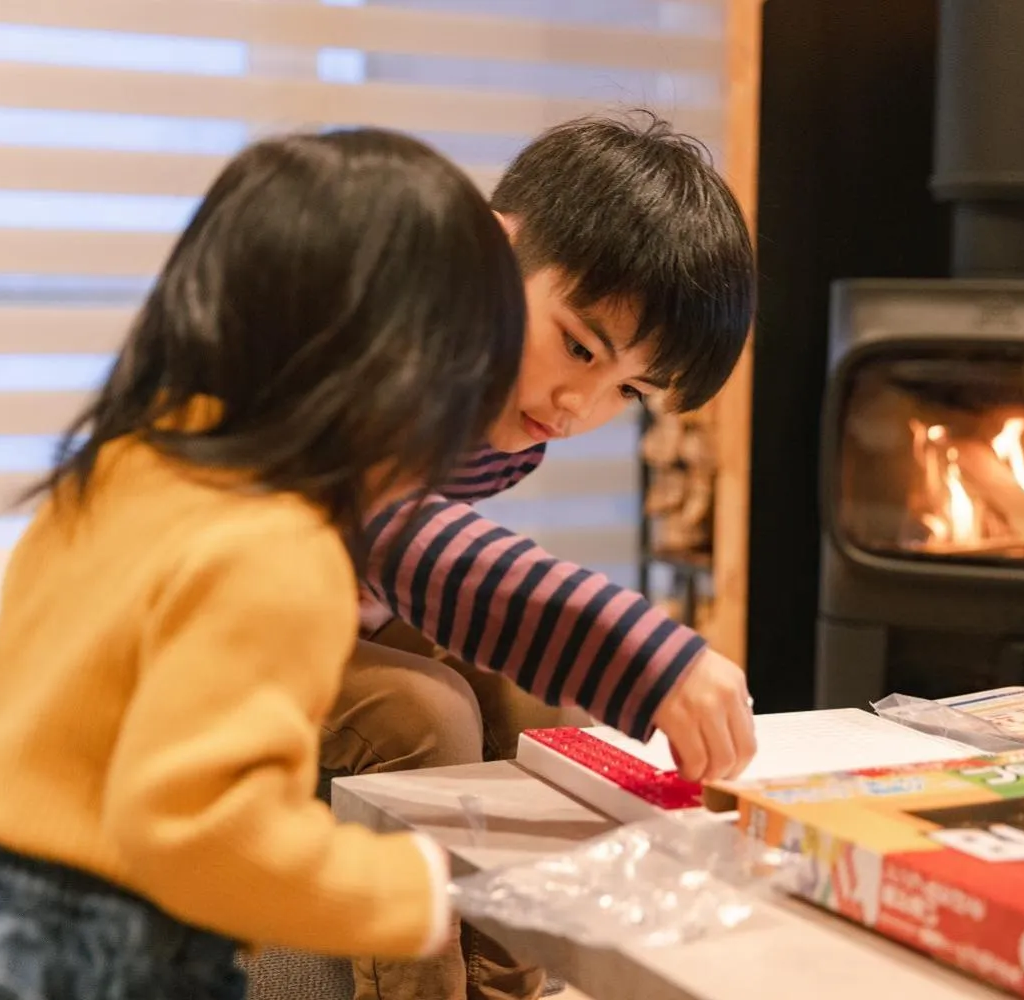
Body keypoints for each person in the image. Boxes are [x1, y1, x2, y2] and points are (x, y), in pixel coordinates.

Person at [0, 128, 529, 1000]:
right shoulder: (282, 551)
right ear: (398, 374)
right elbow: (199, 835)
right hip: (96, 953)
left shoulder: (123, 463)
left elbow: (35, 684)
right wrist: (404, 891)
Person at [327, 113, 760, 1000]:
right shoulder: (384, 339)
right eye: (576, 346)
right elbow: (397, 531)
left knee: (536, 704)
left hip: (317, 600)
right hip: (190, 621)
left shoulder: (506, 409)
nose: (577, 406)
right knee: (425, 715)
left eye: (627, 391)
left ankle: (514, 982)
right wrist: (645, 652)